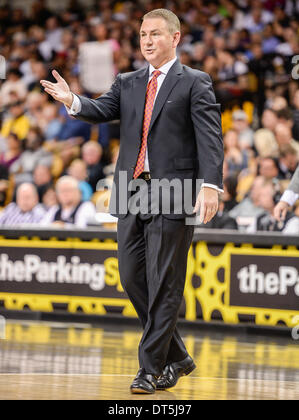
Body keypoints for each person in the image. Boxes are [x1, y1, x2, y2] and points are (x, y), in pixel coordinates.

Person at [40, 8, 224, 394]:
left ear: (174, 38)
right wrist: (73, 100)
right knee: (130, 276)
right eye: (142, 34)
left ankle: (149, 368)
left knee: (165, 281)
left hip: (174, 191)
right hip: (133, 191)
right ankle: (178, 356)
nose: (147, 40)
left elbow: (210, 138)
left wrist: (211, 185)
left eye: (155, 33)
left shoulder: (195, 82)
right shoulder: (127, 81)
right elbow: (100, 110)